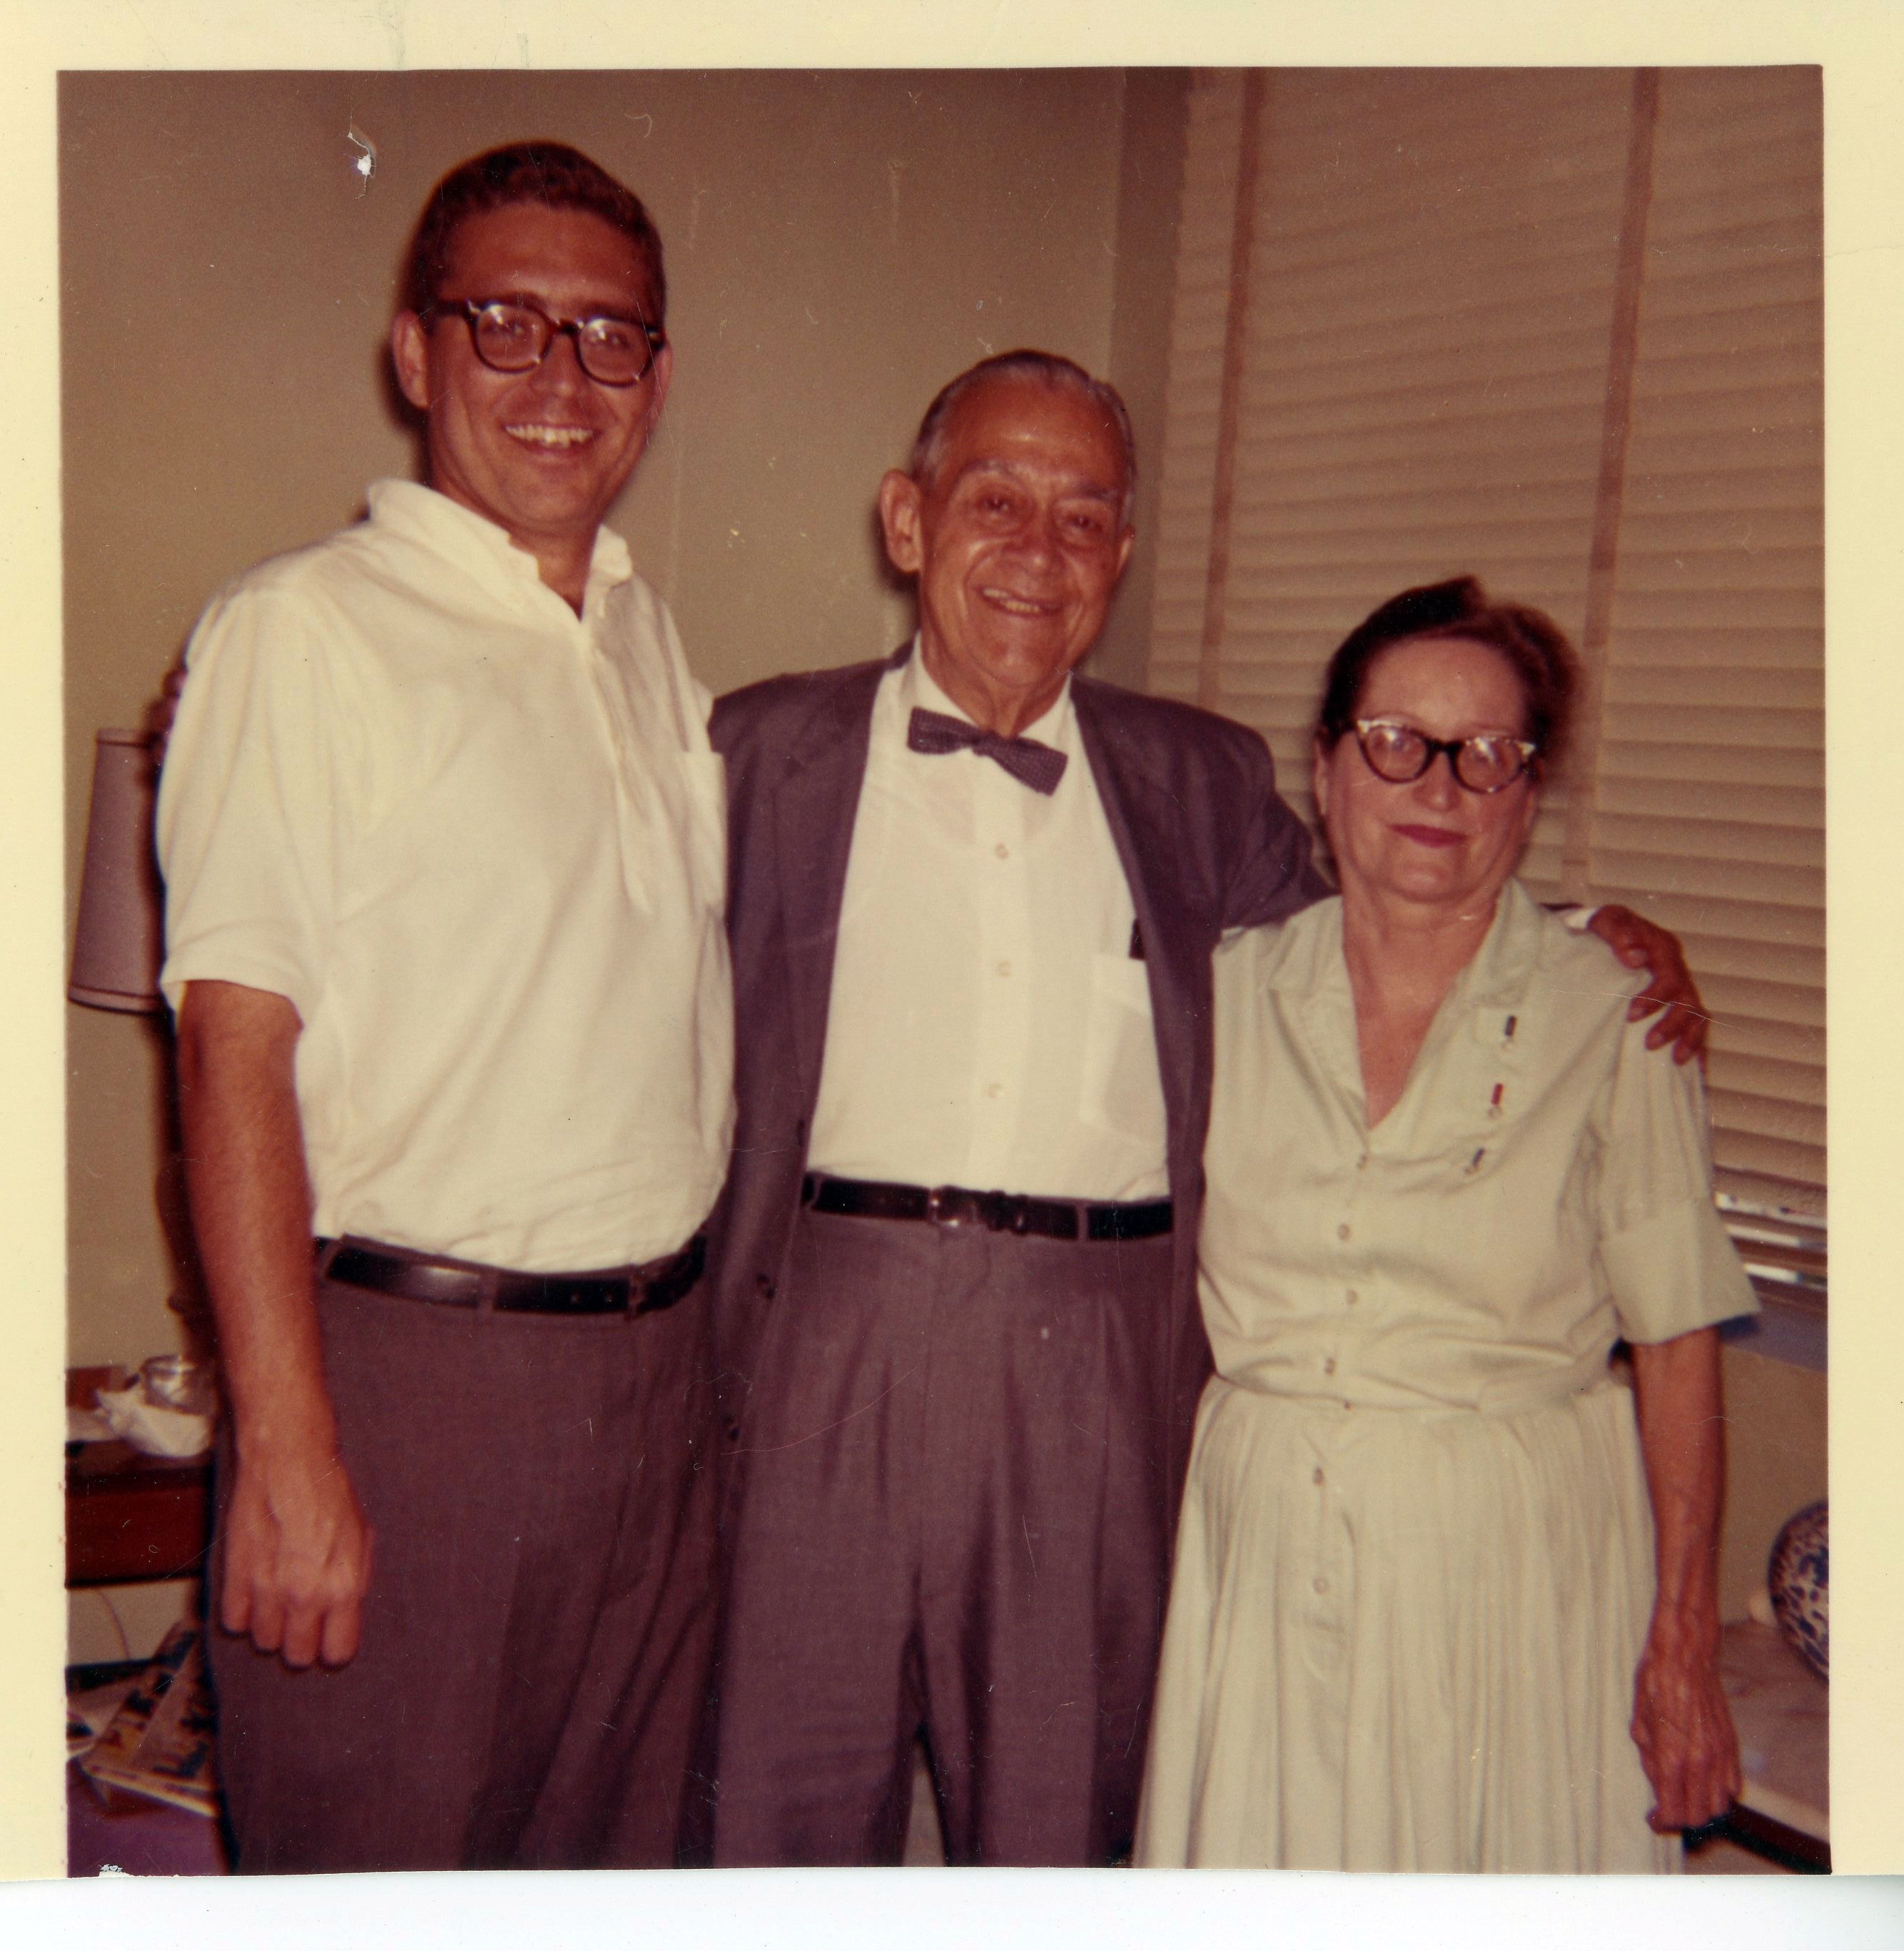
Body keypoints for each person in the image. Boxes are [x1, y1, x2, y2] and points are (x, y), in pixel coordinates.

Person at [702, 356, 1708, 1868]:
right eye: (994, 501)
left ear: (1119, 554)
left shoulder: (1198, 776)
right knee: (772, 1812)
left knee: (1061, 1827)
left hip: (1092, 1367)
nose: (1038, 551)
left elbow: (1392, 921)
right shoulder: (754, 751)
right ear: (907, 521)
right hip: (821, 1347)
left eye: (1083, 516)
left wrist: (1594, 937)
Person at [156, 142, 732, 1873]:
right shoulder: (301, 630)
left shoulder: (645, 639)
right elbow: (232, 1047)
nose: (561, 376)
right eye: (506, 323)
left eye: (607, 335)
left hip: (655, 1389)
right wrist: (285, 1446)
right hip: (418, 1391)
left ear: (657, 378)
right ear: (414, 352)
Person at [1133, 577, 1756, 1873]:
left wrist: (1685, 1638)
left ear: (1528, 795)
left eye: (1487, 755)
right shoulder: (1222, 991)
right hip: (1266, 1548)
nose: (1440, 788)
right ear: (1325, 770)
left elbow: (1678, 1338)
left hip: (1508, 1569)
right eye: (1396, 742)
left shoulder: (1617, 1012)